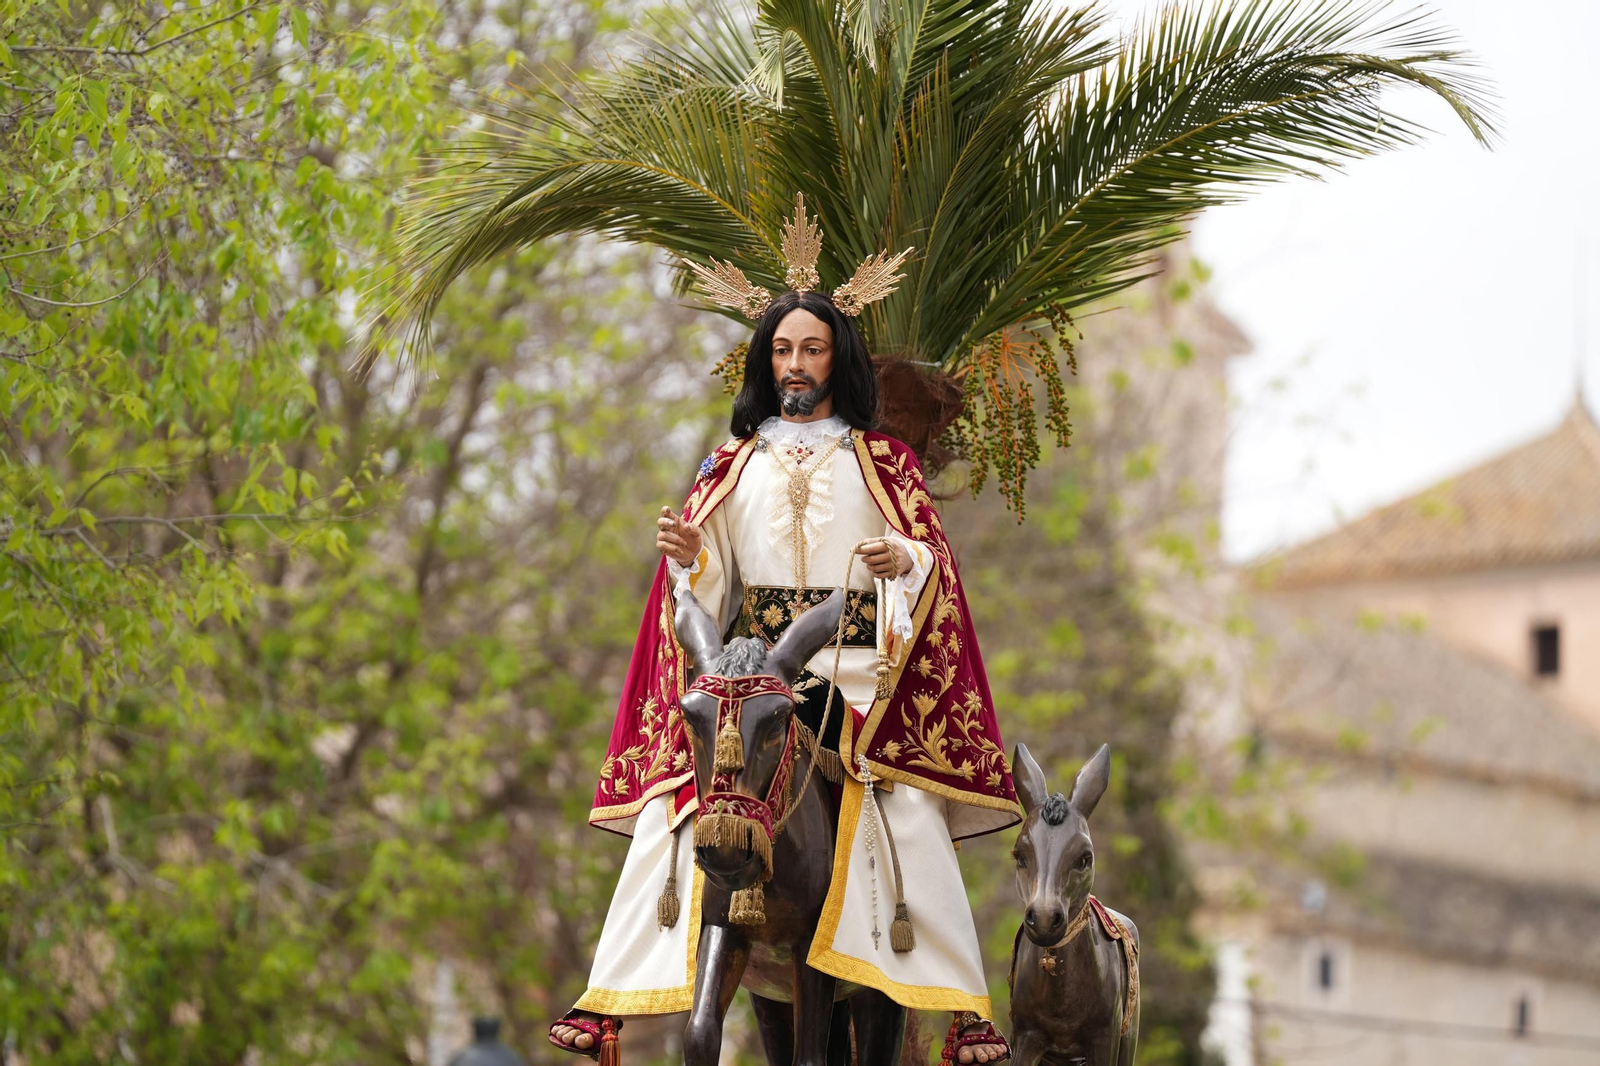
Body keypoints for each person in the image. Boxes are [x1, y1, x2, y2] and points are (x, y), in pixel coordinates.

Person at [549, 196, 1019, 1064]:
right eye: (783, 349)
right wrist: (690, 556)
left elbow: (931, 567)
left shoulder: (883, 461)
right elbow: (705, 586)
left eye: (812, 348)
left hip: (845, 665)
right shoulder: (733, 464)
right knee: (683, 803)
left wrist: (896, 562)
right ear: (767, 362)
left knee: (899, 804)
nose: (797, 363)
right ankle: (610, 995)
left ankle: (958, 1005)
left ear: (837, 359)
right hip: (756, 663)